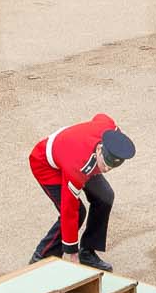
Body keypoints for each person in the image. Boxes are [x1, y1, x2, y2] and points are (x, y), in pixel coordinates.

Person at [28, 113, 135, 270]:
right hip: (46, 164)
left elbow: (101, 117)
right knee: (78, 212)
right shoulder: (77, 168)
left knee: (105, 196)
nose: (106, 170)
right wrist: (72, 254)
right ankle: (42, 257)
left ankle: (88, 251)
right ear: (99, 149)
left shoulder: (111, 132)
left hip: (79, 157)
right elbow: (68, 209)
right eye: (105, 165)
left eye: (110, 168)